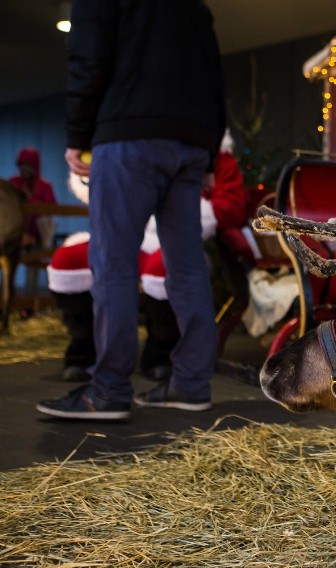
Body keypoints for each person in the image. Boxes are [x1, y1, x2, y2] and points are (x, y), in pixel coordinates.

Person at [37, 0, 226, 420]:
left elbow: (88, 58)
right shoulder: (194, 6)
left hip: (128, 134)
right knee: (187, 266)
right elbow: (215, 75)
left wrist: (76, 133)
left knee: (113, 263)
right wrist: (209, 153)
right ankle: (191, 384)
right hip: (191, 140)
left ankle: (107, 391)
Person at [47, 143, 246, 383]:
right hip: (127, 230)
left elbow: (231, 206)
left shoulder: (215, 153)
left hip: (176, 235)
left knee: (163, 269)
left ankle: (161, 354)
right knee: (68, 260)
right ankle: (85, 350)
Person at [9, 147, 57, 250]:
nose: (24, 168)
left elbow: (51, 208)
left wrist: (31, 200)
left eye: (28, 165)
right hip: (15, 234)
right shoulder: (14, 182)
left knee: (36, 262)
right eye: (22, 164)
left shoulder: (44, 185)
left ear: (35, 166)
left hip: (39, 235)